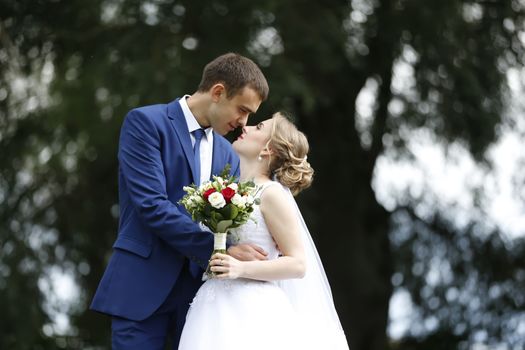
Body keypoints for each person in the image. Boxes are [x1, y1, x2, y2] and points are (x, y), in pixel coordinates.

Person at [90, 53, 270, 349]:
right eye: (242, 109)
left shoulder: (227, 154)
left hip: (201, 301)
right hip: (142, 290)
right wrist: (218, 250)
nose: (244, 122)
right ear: (217, 92)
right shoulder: (146, 123)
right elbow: (151, 205)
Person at [178, 112, 349, 350]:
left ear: (269, 149)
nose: (246, 127)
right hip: (210, 307)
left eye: (258, 127)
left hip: (252, 310)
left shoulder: (271, 194)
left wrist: (240, 268)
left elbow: (298, 264)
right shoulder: (224, 190)